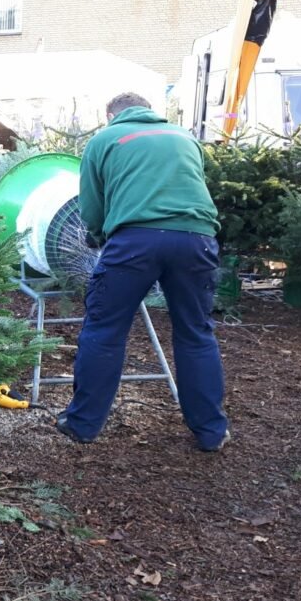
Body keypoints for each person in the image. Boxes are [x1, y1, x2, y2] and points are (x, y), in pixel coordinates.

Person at [56, 92, 231, 451]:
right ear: (150, 112)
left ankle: (83, 425)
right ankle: (211, 432)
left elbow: (92, 204)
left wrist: (98, 236)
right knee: (196, 333)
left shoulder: (105, 140)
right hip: (196, 240)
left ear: (111, 115)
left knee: (104, 331)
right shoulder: (185, 137)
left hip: (135, 241)